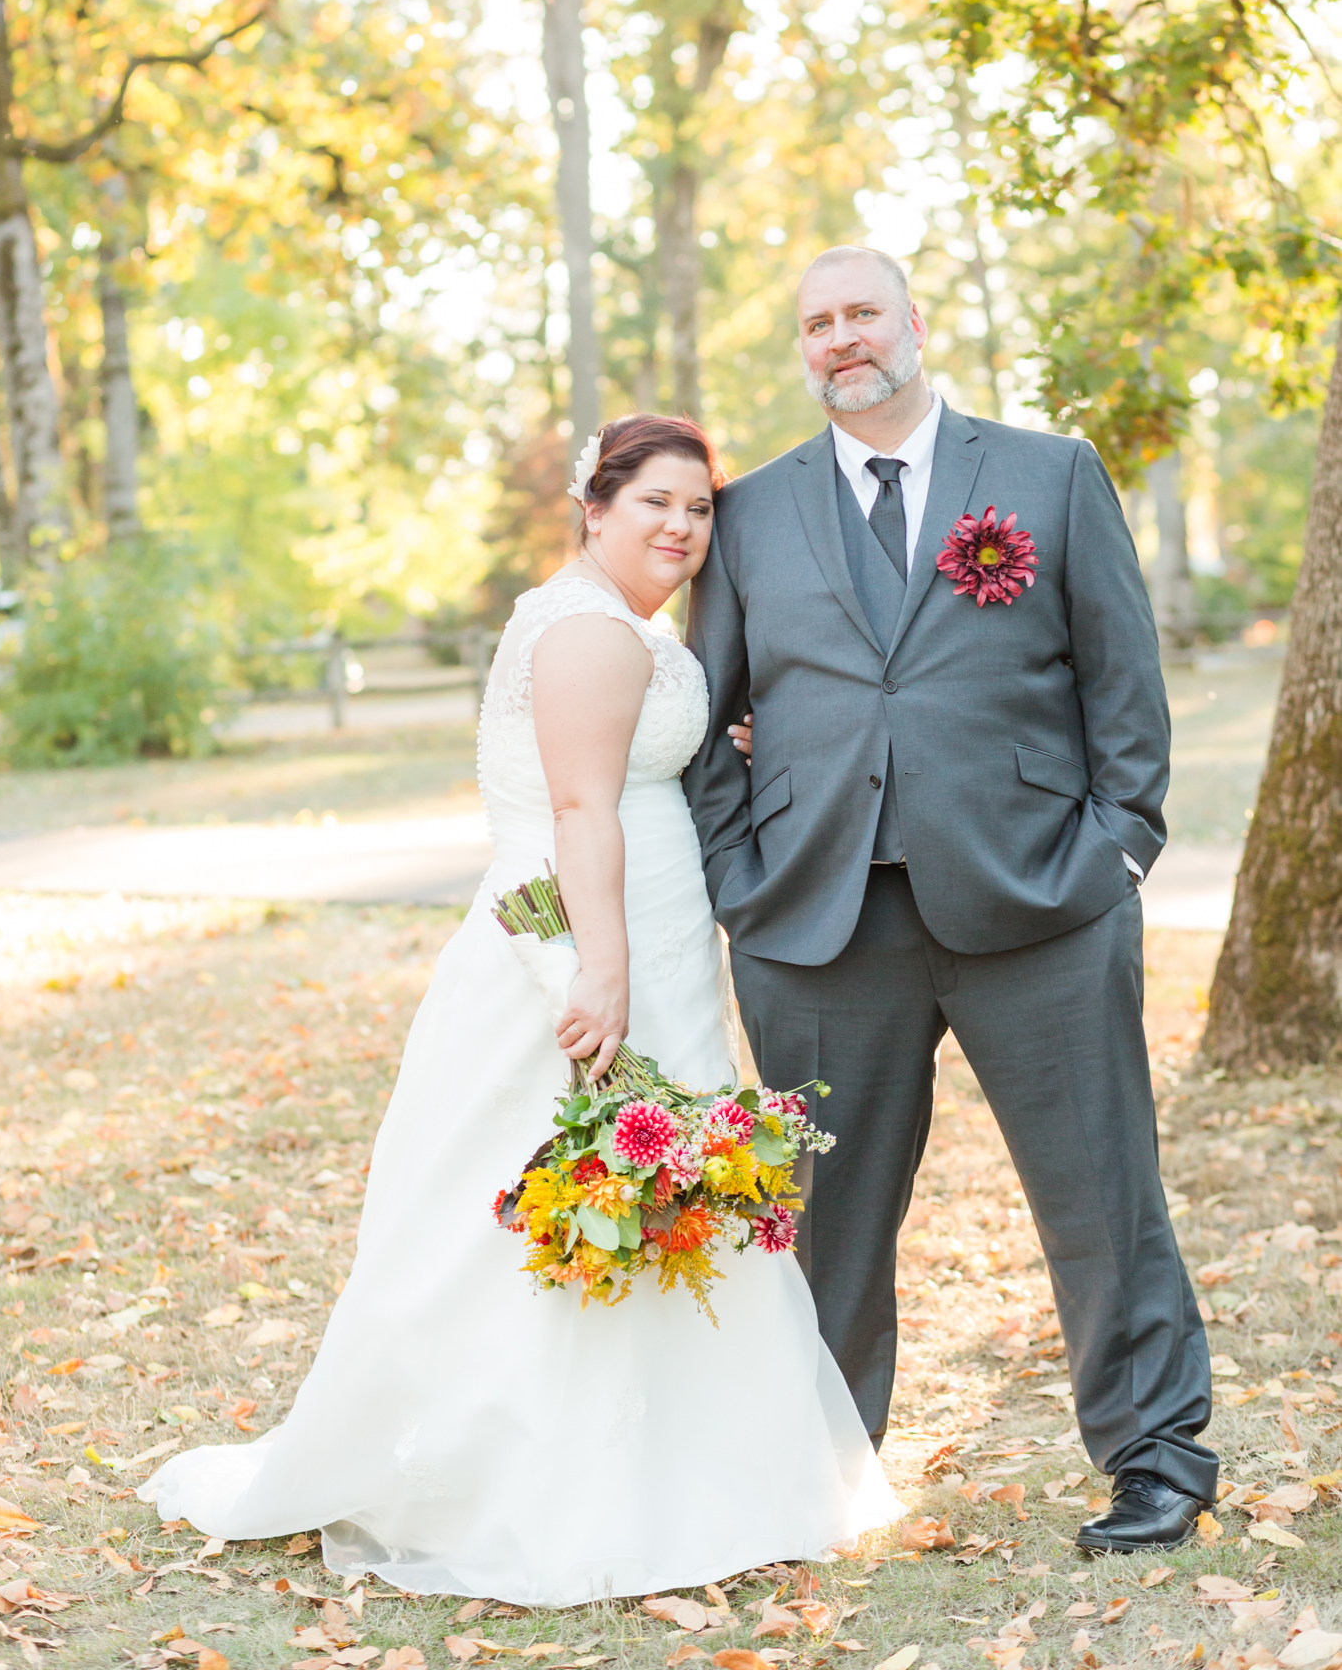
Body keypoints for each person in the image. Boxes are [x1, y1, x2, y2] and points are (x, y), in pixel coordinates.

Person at [141, 412, 900, 1604]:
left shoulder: (611, 623)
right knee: (555, 1186)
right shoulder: (593, 632)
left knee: (656, 1185)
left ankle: (683, 1465)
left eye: (699, 508)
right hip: (585, 937)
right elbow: (581, 810)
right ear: (593, 508)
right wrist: (603, 973)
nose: (681, 526)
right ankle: (551, 1478)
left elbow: (639, 773)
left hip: (641, 924)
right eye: (654, 501)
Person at [682, 247, 1217, 1554]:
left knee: (1103, 1197)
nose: (839, 339)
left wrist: (1116, 857)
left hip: (1040, 909)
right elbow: (703, 720)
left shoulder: (1048, 477)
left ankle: (1155, 1464)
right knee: (830, 1225)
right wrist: (743, 887)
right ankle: (817, 1475)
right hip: (819, 929)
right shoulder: (747, 515)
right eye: (815, 324)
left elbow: (1122, 692)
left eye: (861, 312)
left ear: (913, 324)